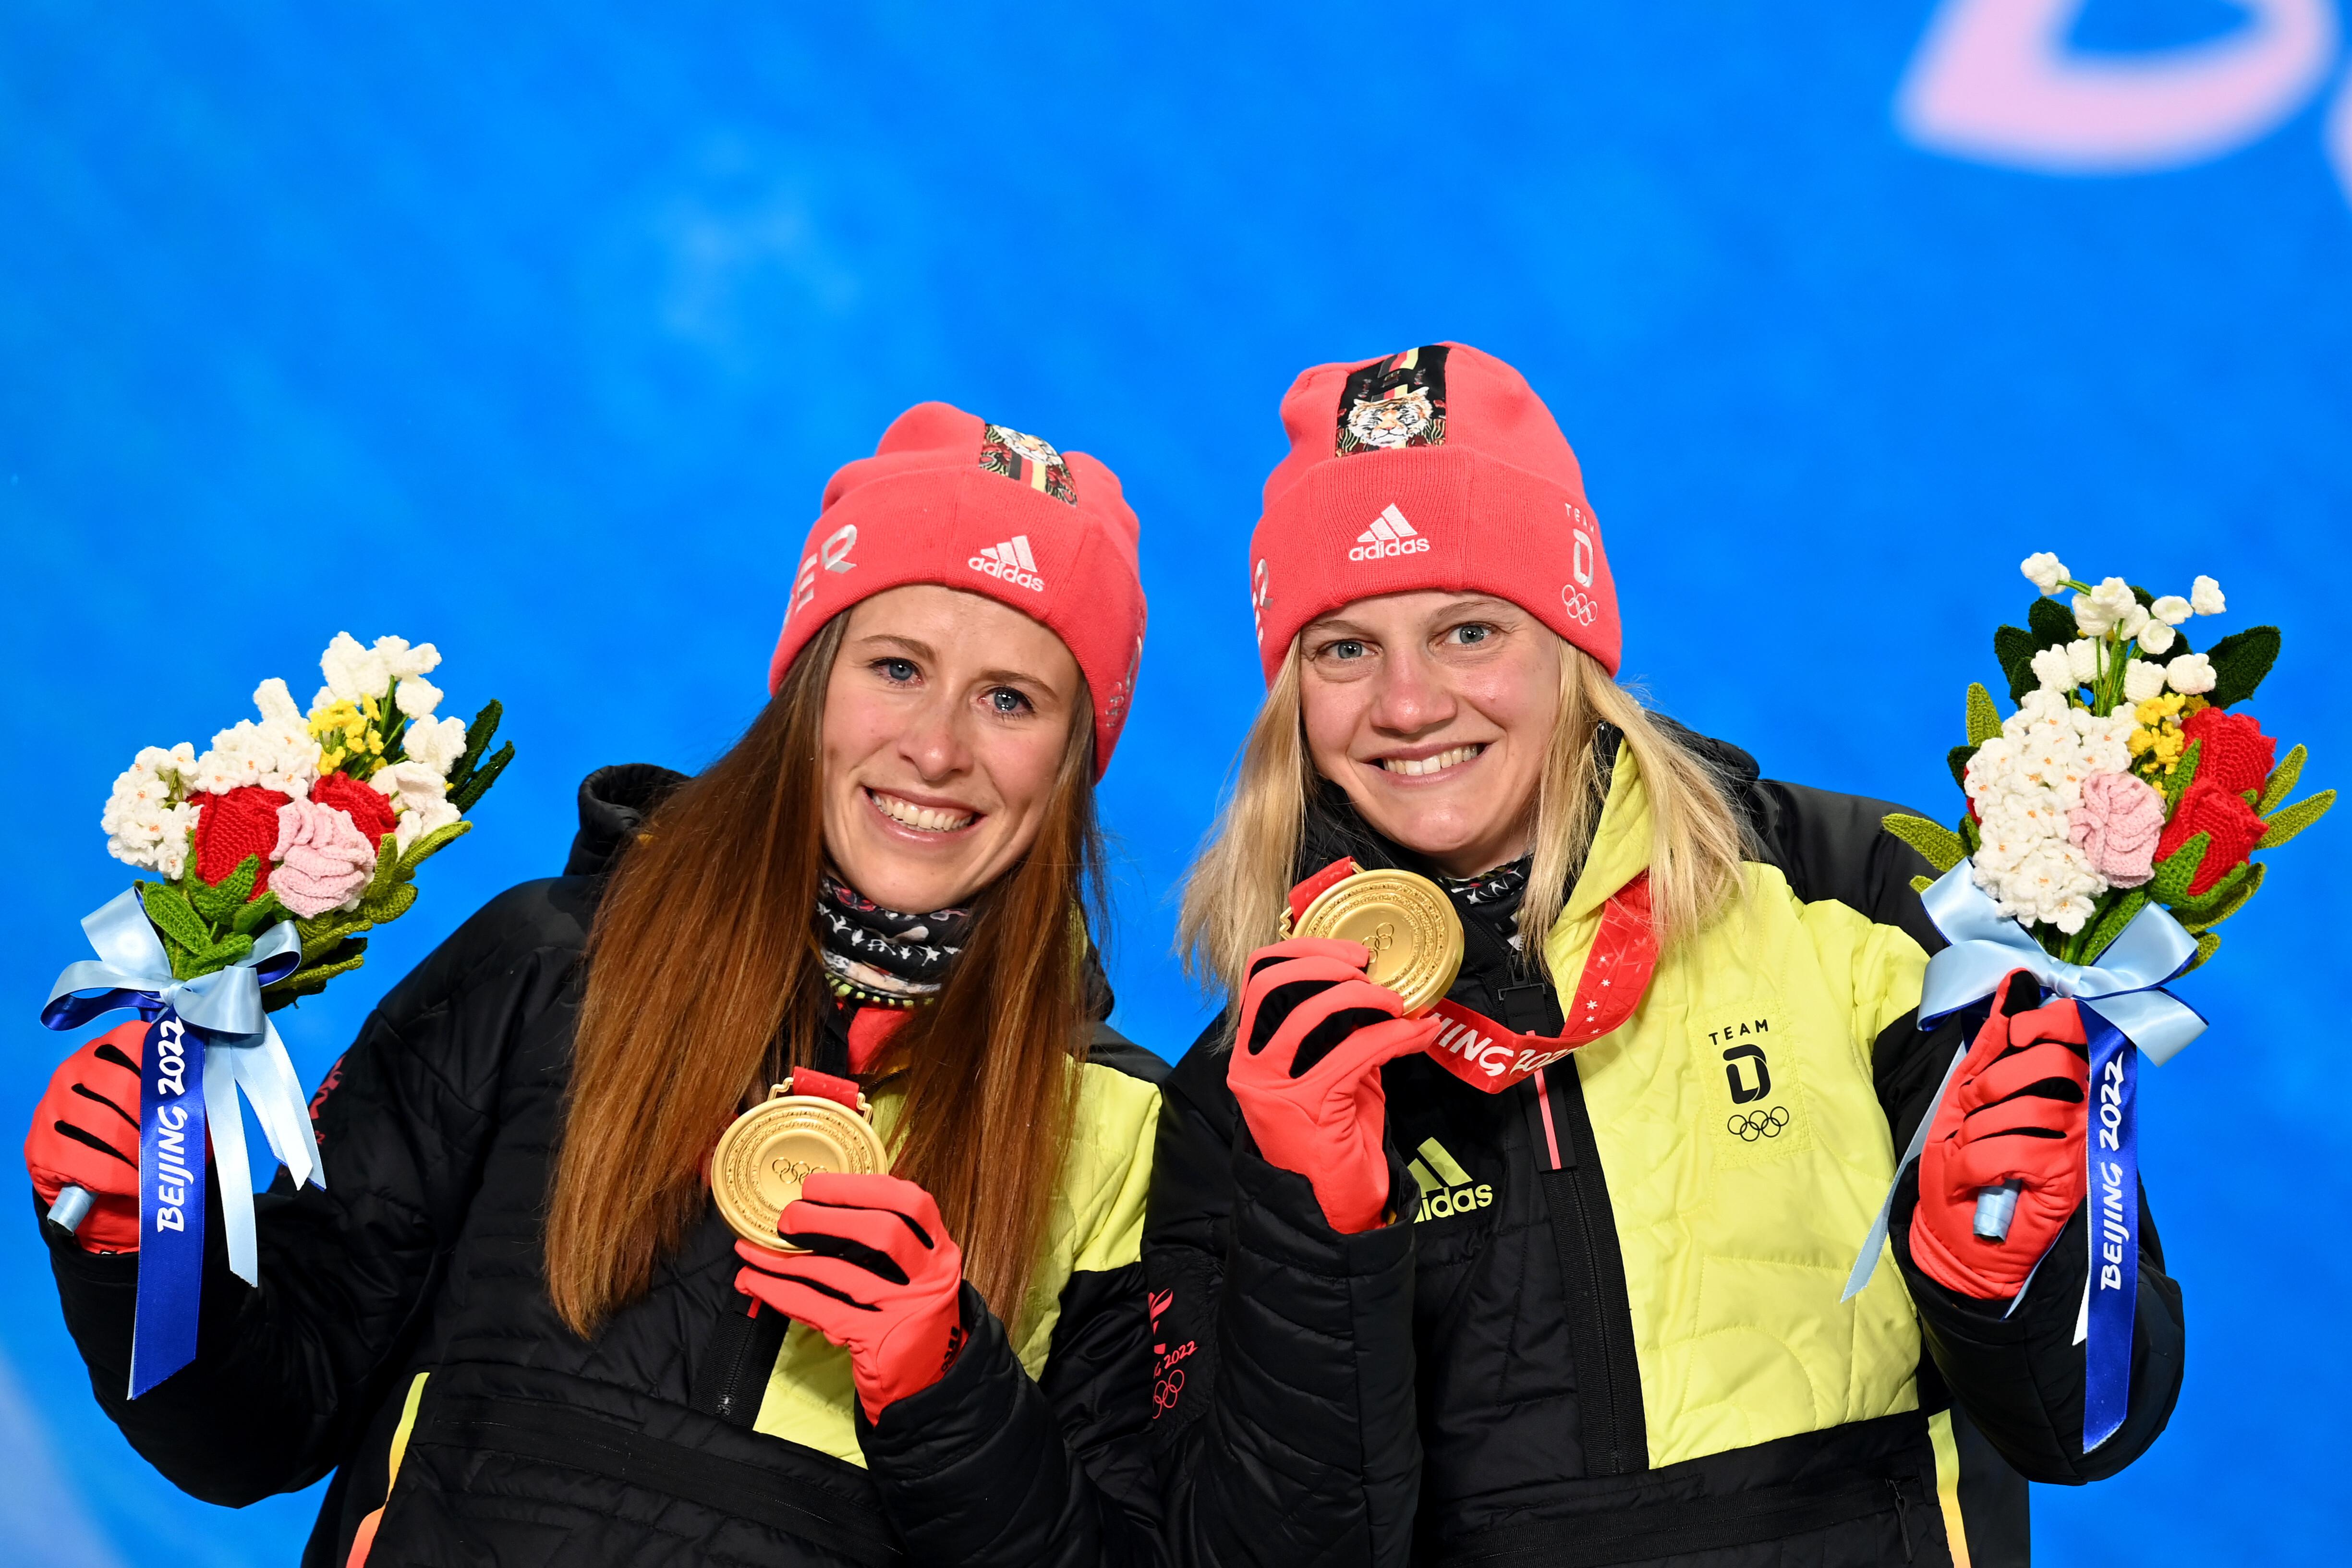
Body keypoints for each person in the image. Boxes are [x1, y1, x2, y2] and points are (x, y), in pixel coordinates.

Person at [27, 404, 1166, 1568]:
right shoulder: (548, 965)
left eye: (1011, 699)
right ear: (808, 686)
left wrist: (947, 1395)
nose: (936, 747)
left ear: (1077, 758)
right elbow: (258, 1425)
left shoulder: (1126, 1130)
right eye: (895, 667)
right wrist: (142, 1238)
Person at [1145, 344, 2184, 1568]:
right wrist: (1310, 1227)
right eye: (1344, 649)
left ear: (1572, 642)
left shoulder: (1854, 897)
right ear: (1292, 698)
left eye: (1468, 630)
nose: (1409, 703)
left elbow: (2090, 1422)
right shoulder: (1252, 1078)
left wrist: (2000, 1269)